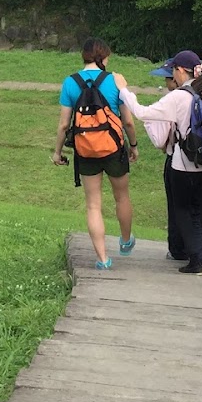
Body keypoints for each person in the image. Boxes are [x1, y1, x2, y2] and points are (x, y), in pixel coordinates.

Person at [117, 50, 202, 277]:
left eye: (174, 71)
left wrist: (124, 89)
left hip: (185, 166)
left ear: (179, 71)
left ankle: (197, 262)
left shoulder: (179, 97)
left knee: (183, 211)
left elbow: (142, 113)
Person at [52, 38, 139, 269]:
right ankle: (126, 240)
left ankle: (102, 259)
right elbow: (127, 121)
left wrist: (57, 152)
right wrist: (133, 145)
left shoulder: (70, 83)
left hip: (85, 150)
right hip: (113, 148)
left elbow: (63, 125)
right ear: (103, 58)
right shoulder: (115, 81)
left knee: (93, 205)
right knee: (122, 196)